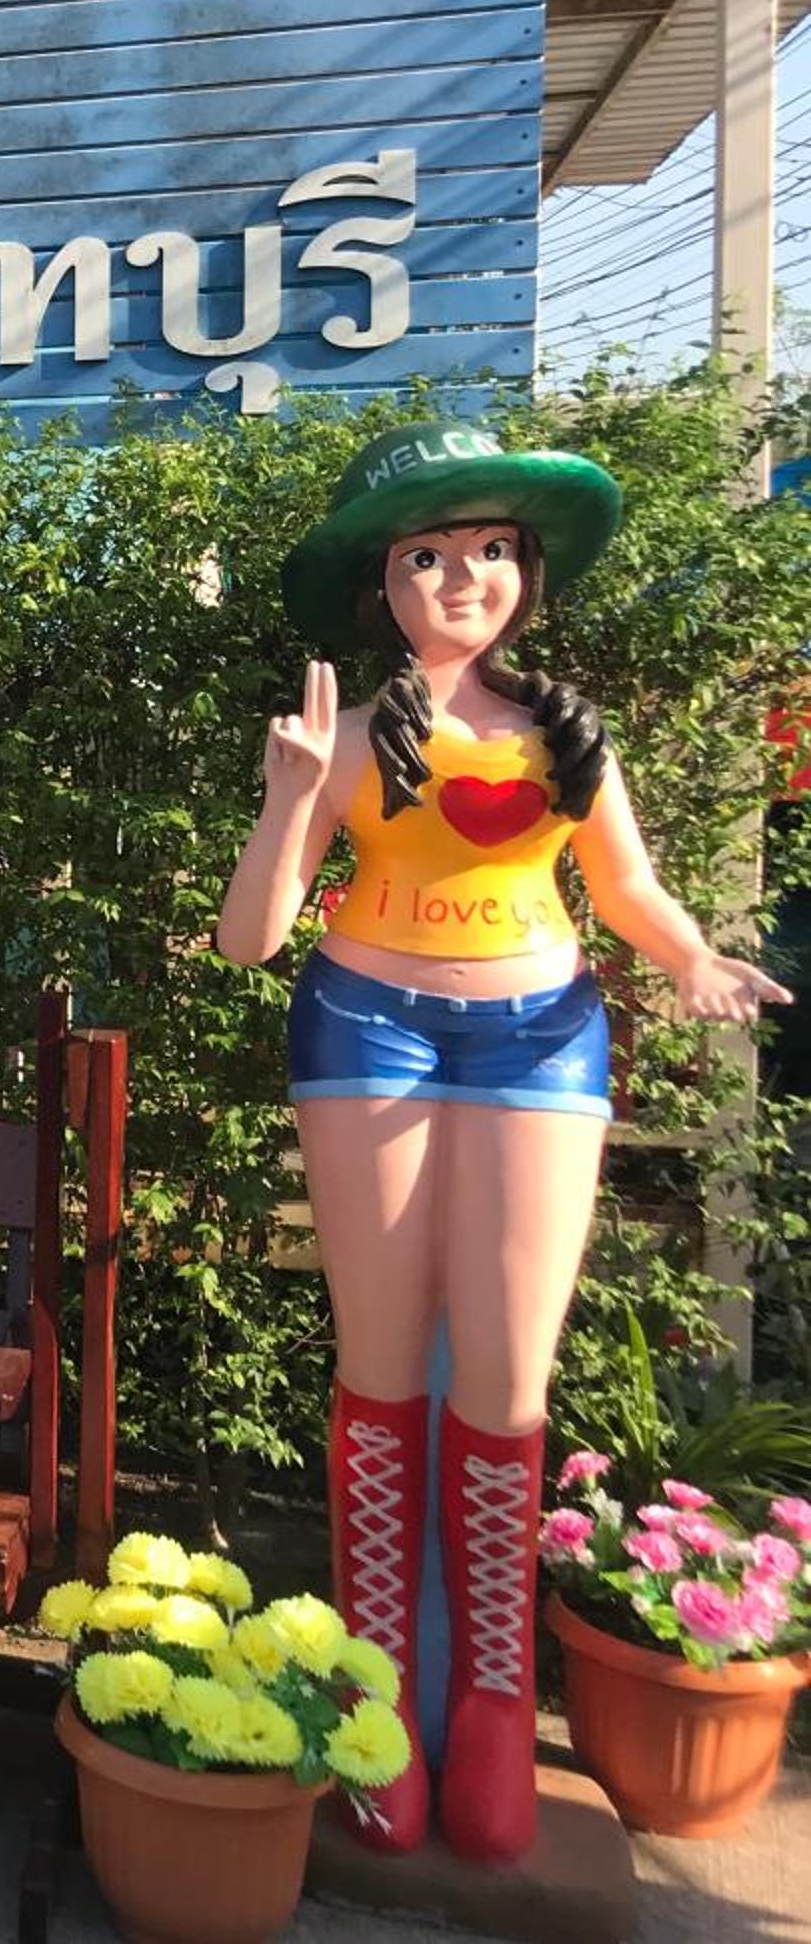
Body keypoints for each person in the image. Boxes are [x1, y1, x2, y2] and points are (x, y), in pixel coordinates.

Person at [216, 422, 791, 1864]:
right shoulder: (350, 739)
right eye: (426, 554)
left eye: (487, 549)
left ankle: (490, 1699)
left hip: (541, 1036)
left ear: (526, 570)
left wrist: (692, 959)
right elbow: (251, 940)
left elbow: (629, 889)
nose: (460, 576)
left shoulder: (566, 739)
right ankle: (376, 1693)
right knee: (379, 1354)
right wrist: (289, 797)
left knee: (508, 1373)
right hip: (366, 1027)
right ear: (383, 584)